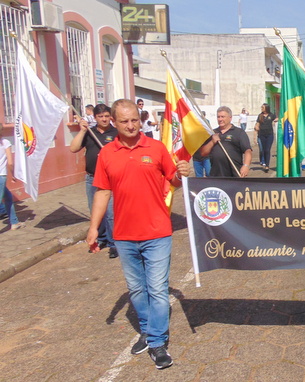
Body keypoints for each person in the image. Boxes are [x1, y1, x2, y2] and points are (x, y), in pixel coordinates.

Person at [87, 98, 190, 370]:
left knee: (157, 289)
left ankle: (157, 342)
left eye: (135, 120)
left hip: (157, 232)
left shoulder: (156, 148)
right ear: (114, 121)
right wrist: (93, 228)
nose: (131, 126)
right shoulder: (107, 154)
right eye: (124, 121)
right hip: (123, 235)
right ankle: (146, 329)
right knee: (136, 289)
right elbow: (102, 192)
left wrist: (182, 173)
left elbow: (174, 181)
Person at [69, 103, 118, 258]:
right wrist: (82, 130)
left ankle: (114, 243)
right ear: (95, 117)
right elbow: (73, 148)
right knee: (95, 211)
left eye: (106, 116)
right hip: (92, 178)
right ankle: (101, 238)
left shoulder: (116, 133)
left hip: (110, 179)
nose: (103, 119)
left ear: (110, 117)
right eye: (100, 116)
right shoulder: (90, 132)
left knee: (110, 212)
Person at [200, 106, 252, 177]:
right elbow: (203, 153)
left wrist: (246, 165)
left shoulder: (239, 132)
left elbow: (248, 151)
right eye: (218, 117)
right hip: (216, 176)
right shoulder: (213, 133)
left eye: (223, 117)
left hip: (234, 174)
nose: (220, 119)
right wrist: (212, 142)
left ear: (230, 118)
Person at [0, 130, 24, 230]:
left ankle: (14, 222)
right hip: (1, 176)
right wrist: (13, 174)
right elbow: (10, 163)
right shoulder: (5, 142)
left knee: (8, 197)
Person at [254, 103, 277, 172]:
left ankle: (267, 165)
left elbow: (277, 119)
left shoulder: (271, 115)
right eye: (261, 108)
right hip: (262, 135)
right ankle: (264, 163)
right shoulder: (260, 115)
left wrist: (276, 120)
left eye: (263, 107)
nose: (262, 109)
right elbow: (257, 124)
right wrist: (255, 135)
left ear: (266, 108)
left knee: (267, 150)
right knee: (263, 150)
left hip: (269, 135)